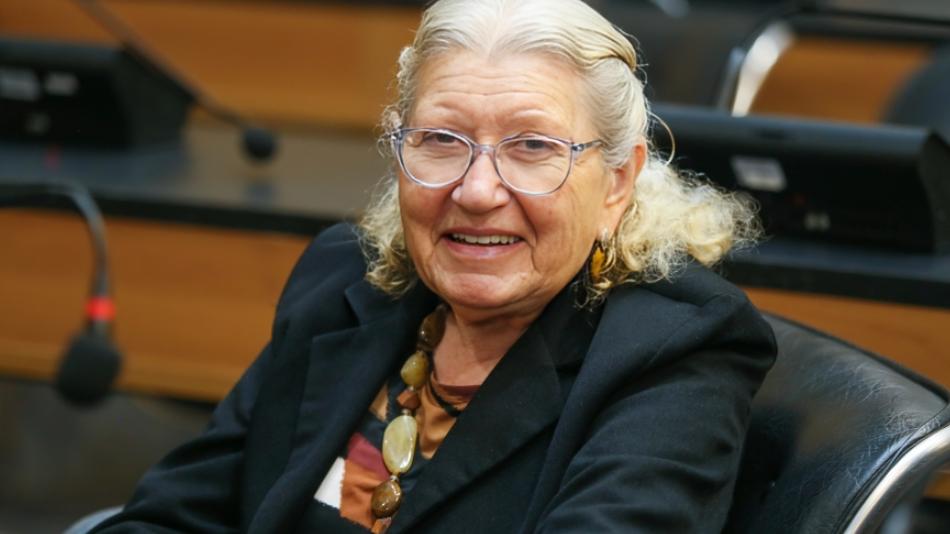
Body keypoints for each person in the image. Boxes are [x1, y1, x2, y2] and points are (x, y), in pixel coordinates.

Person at [92, 0, 775, 532]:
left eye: (532, 147)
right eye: (441, 140)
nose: (476, 191)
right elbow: (170, 518)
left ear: (617, 182)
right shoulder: (344, 281)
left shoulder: (673, 353)